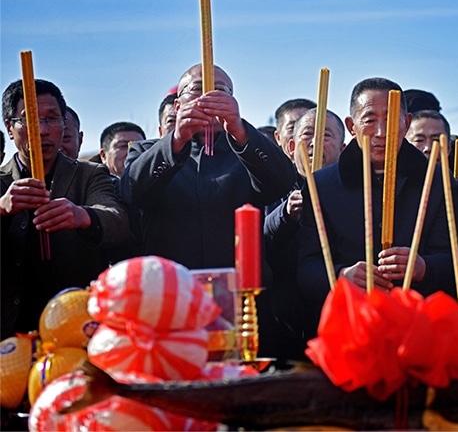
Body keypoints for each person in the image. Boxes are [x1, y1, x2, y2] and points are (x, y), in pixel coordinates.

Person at [297, 77, 456, 341]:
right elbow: (306, 268)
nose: (381, 131)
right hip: (350, 330)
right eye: (370, 119)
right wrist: (341, 275)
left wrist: (423, 267)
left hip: (419, 329)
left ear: (406, 123)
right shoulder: (321, 185)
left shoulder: (436, 180)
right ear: (351, 126)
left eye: (392, 119)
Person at [121, 63, 296, 271]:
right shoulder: (148, 151)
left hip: (240, 283)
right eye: (197, 89)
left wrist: (239, 130)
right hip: (173, 285)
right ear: (178, 107)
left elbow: (283, 182)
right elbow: (131, 192)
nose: (208, 97)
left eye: (219, 91)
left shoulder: (247, 148)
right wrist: (177, 141)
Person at [1, 78, 128, 338]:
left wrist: (83, 216)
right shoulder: (1, 181)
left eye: (53, 118)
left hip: (80, 326)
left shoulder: (89, 174)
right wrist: (2, 209)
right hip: (11, 333)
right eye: (30, 119)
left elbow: (117, 220)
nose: (43, 131)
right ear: (10, 128)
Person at [264, 107, 346, 359]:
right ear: (290, 146)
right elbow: (259, 242)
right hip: (280, 320)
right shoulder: (267, 186)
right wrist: (285, 215)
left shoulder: (355, 192)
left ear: (343, 149)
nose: (315, 142)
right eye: (308, 134)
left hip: (334, 317)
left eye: (326, 135)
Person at [406, 109, 458, 174]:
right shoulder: (396, 183)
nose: (428, 148)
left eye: (437, 140)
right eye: (419, 140)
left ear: (448, 148)